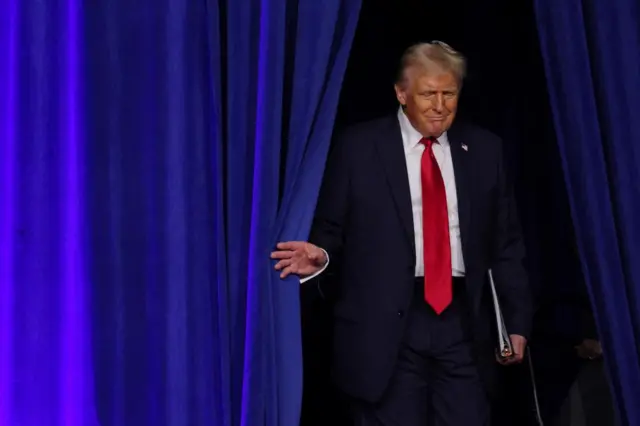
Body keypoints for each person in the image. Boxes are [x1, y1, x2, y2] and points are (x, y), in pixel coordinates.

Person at [271, 41, 533, 426]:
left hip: (464, 323)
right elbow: (331, 228)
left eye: (449, 93)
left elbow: (507, 244)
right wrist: (321, 257)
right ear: (401, 93)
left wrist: (516, 322)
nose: (439, 105)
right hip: (385, 327)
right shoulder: (358, 148)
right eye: (428, 94)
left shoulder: (484, 150)